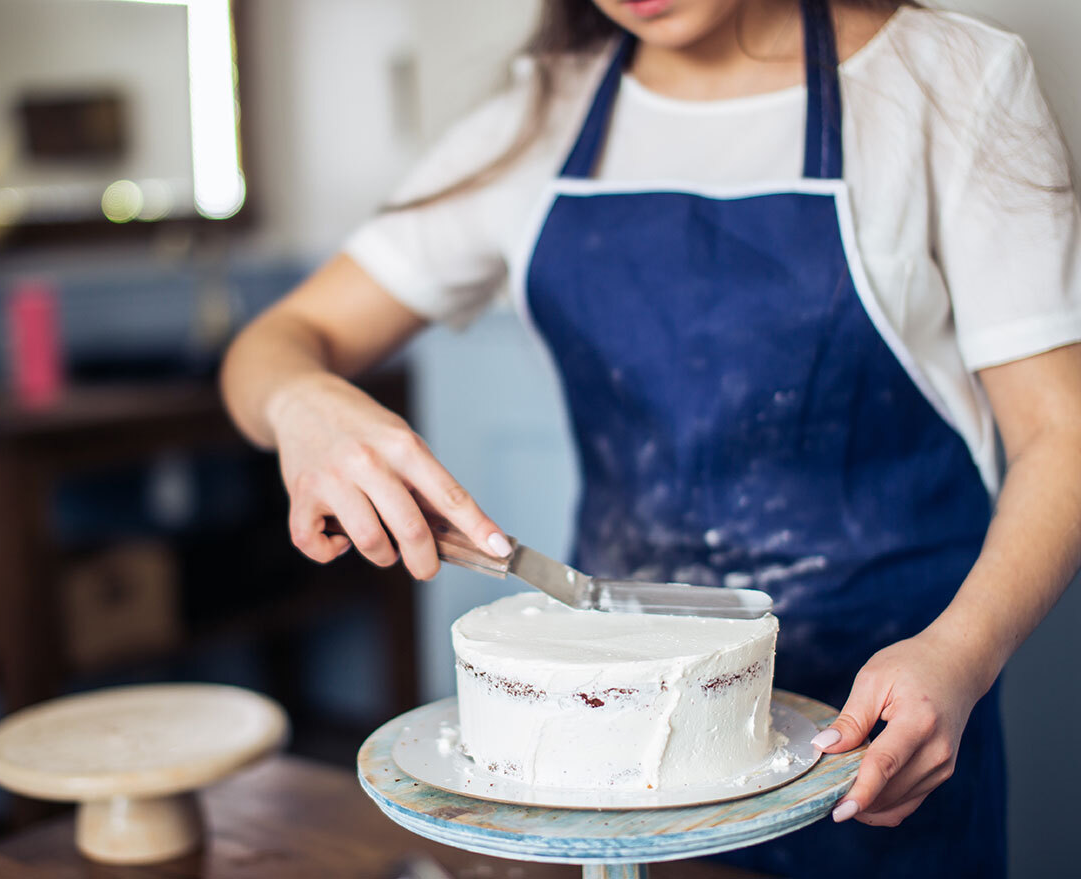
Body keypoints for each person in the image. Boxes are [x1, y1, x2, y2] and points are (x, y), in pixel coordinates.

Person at [220, 0, 1081, 875]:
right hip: (614, 761)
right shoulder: (540, 118)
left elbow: (1062, 432)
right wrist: (302, 404)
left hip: (883, 729)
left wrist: (962, 654)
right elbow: (272, 346)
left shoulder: (954, 81)